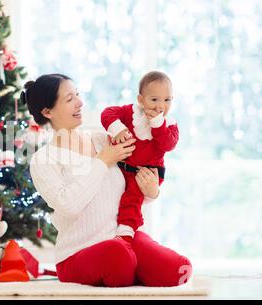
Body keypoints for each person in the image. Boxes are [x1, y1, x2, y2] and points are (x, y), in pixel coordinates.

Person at [24, 74, 192, 287]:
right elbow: (69, 206)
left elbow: (132, 182)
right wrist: (102, 161)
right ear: (47, 111)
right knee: (119, 257)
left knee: (179, 269)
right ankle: (129, 269)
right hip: (78, 252)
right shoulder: (44, 159)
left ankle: (130, 268)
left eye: (78, 95)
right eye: (69, 99)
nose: (80, 102)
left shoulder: (103, 139)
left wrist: (152, 191)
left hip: (123, 238)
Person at [101, 71, 179, 243]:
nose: (161, 106)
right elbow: (107, 113)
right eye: (154, 100)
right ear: (141, 100)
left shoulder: (170, 124)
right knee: (111, 191)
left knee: (133, 198)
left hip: (149, 173)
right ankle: (107, 232)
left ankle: (126, 231)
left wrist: (158, 125)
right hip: (123, 167)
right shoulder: (131, 112)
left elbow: (168, 144)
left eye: (167, 100)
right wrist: (117, 128)